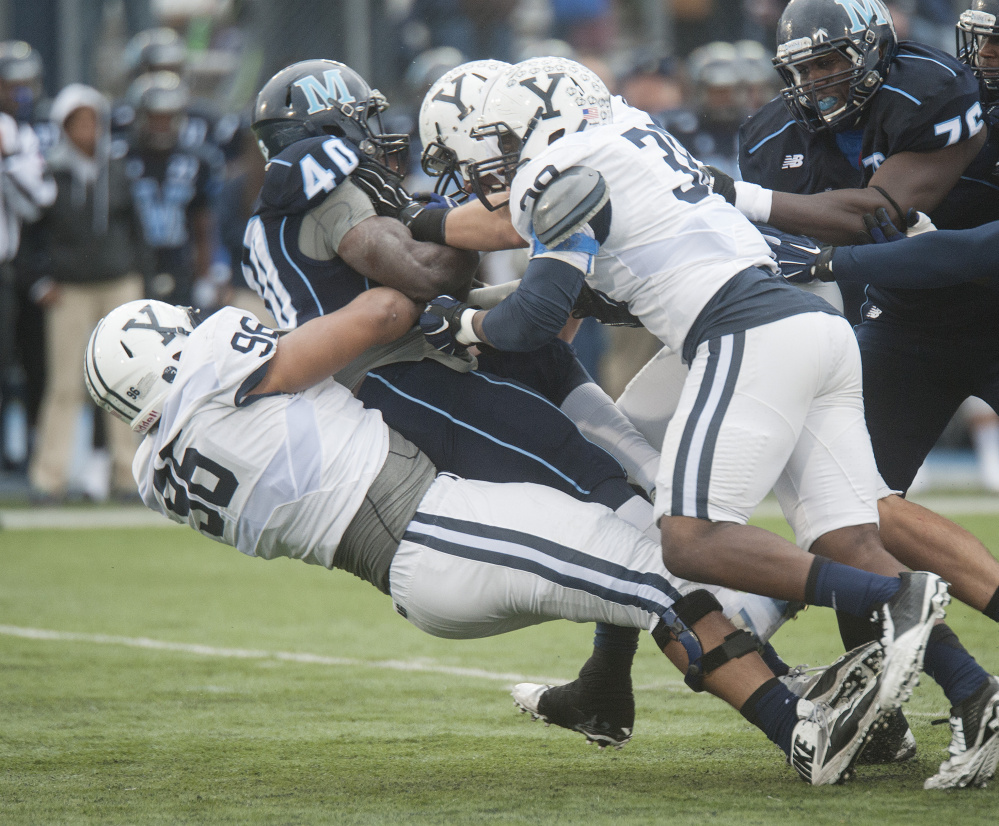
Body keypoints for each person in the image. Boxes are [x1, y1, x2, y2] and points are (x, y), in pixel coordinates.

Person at [413, 55, 999, 789]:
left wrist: (459, 325)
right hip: (815, 333)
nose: (486, 168)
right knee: (848, 537)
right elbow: (598, 293)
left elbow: (536, 317)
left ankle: (894, 599)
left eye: (493, 146)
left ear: (532, 125)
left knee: (687, 541)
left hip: (743, 333)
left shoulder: (556, 168)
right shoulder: (635, 135)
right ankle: (977, 694)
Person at [82, 292, 933, 786]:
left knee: (645, 575)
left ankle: (793, 715)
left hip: (409, 558)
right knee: (657, 561)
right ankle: (878, 609)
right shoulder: (217, 366)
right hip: (432, 527)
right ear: (168, 353)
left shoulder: (155, 472)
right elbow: (378, 310)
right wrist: (457, 311)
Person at [242, 58, 773, 749]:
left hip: (441, 357)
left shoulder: (280, 208)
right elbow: (424, 276)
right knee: (623, 509)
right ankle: (772, 652)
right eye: (361, 119)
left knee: (629, 491)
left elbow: (448, 296)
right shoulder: (320, 182)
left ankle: (611, 683)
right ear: (326, 125)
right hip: (410, 375)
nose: (377, 135)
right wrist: (437, 219)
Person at [25, 84, 144, 503]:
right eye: (77, 122)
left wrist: (141, 276)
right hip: (69, 288)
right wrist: (39, 279)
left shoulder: (118, 168)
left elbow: (136, 227)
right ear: (62, 127)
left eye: (92, 120)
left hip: (118, 281)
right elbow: (31, 234)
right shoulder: (50, 172)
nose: (86, 130)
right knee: (65, 384)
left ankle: (130, 476)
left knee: (128, 380)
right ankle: (49, 476)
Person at [0, 41, 56, 473]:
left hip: (12, 266)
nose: (18, 93)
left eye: (23, 84)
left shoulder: (24, 134)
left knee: (29, 361)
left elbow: (38, 201)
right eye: (10, 84)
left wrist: (9, 160)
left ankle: (26, 453)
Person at [123, 70, 219, 307]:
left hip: (179, 263)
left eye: (167, 116)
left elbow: (203, 222)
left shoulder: (197, 161)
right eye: (155, 116)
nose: (161, 124)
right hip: (131, 265)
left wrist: (205, 274)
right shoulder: (120, 159)